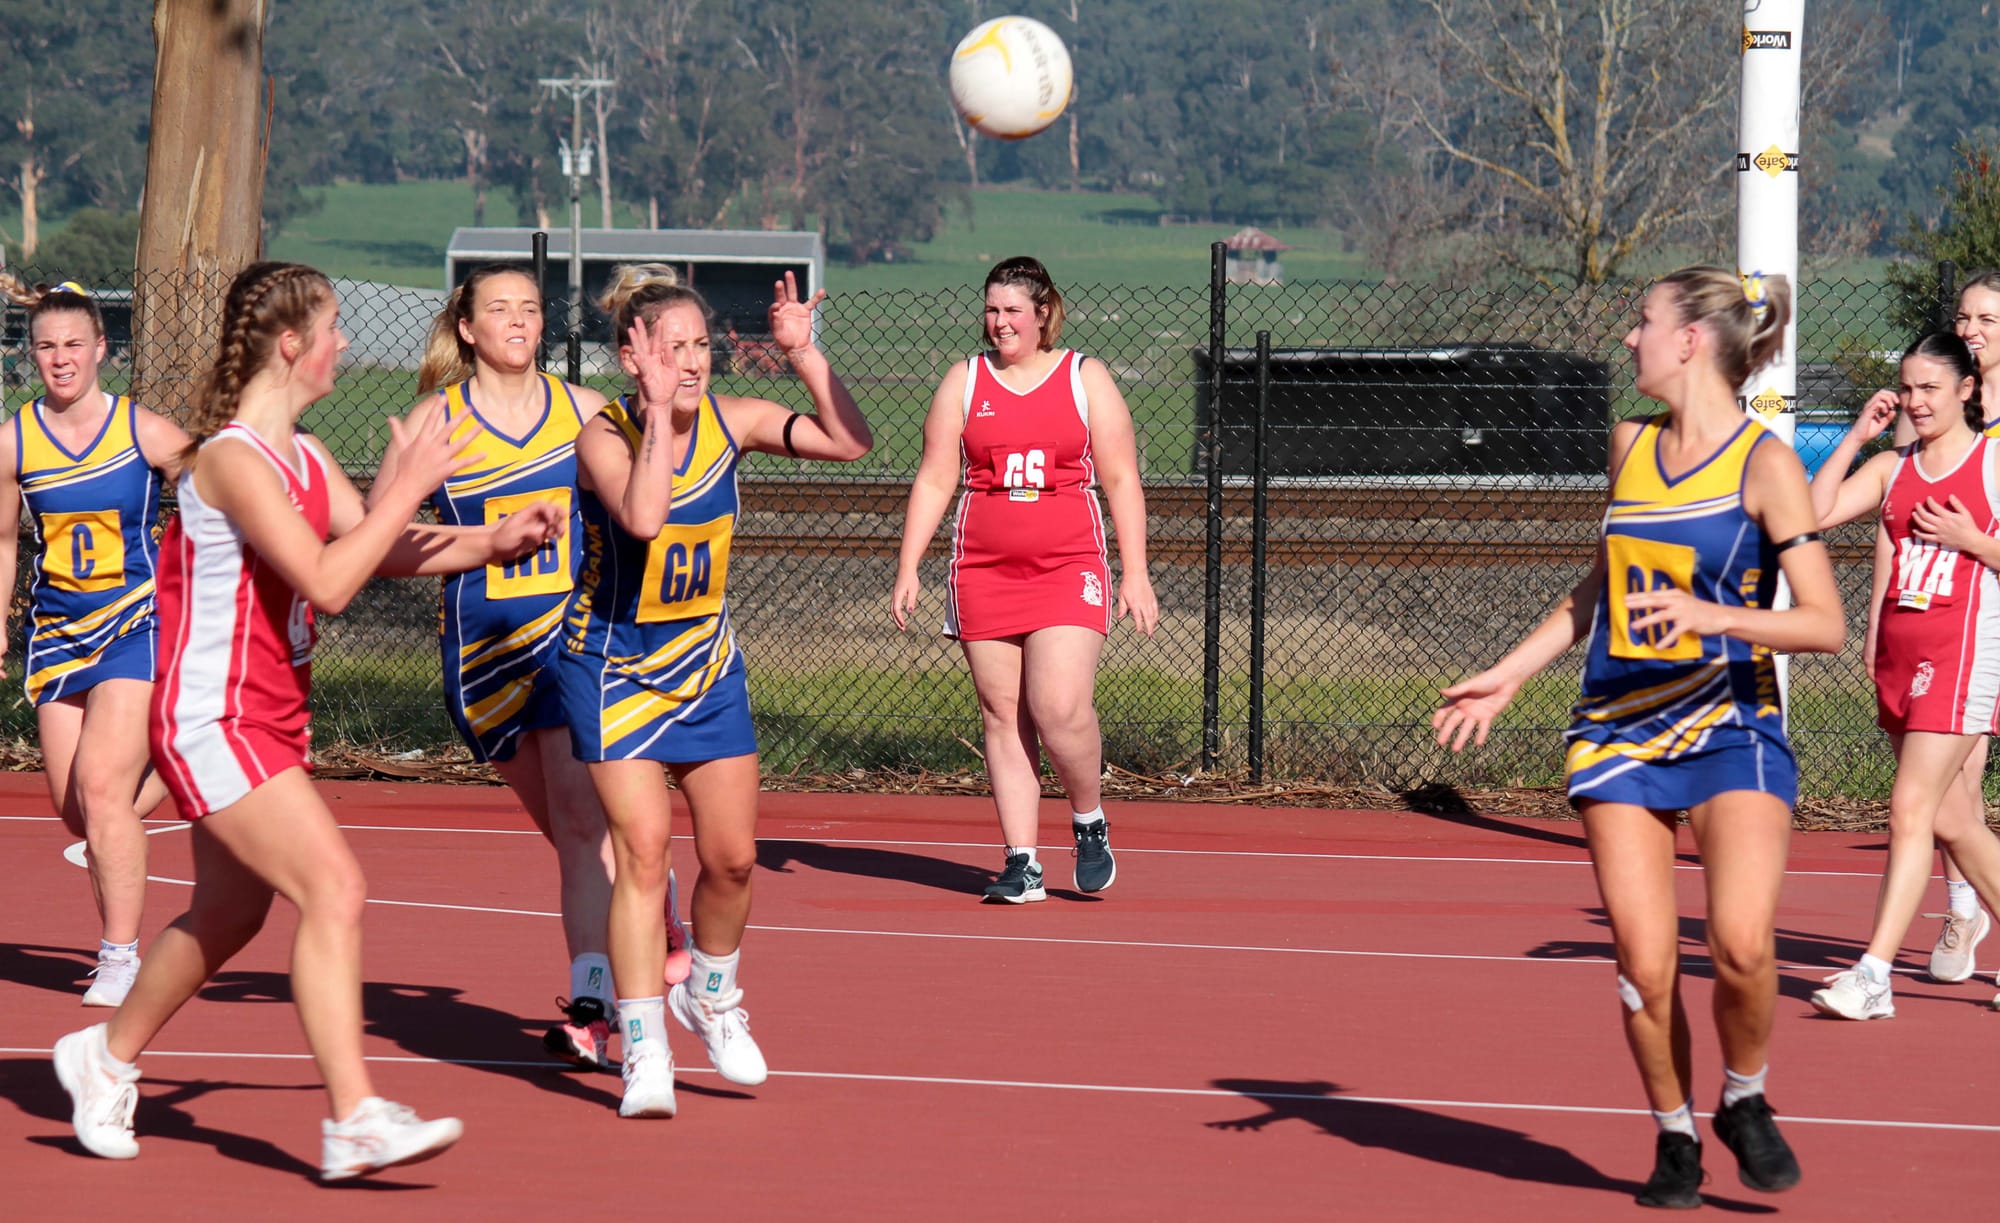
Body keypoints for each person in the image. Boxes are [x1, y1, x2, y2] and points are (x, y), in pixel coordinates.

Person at [51, 261, 564, 1179]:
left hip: (269, 716)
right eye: (332, 329)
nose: (345, 345)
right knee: (335, 888)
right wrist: (410, 481)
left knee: (228, 911)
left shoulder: (305, 456)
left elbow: (374, 539)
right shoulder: (231, 461)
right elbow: (330, 582)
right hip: (213, 717)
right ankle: (354, 1117)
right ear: (291, 344)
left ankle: (104, 1054)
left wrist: (489, 539)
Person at [1433, 267, 1843, 1207]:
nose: (1630, 338)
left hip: (1731, 723)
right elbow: (1598, 585)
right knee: (1646, 965)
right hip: (1616, 727)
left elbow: (1824, 623)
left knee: (1740, 946)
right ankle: (1674, 1133)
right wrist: (1510, 670)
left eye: (1644, 322)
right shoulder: (1630, 444)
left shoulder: (1764, 464)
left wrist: (1716, 615)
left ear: (1692, 339)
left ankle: (1744, 1098)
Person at [560, 266, 871, 1118]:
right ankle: (646, 1043)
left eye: (700, 345)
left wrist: (806, 356)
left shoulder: (735, 422)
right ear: (633, 356)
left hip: (705, 668)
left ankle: (711, 994)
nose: (692, 361)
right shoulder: (604, 435)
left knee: (733, 858)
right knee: (644, 852)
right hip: (615, 670)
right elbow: (648, 517)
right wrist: (657, 410)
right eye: (673, 348)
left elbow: (851, 442)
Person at [386, 263, 689, 1071]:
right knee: (572, 836)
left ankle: (594, 1004)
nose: (517, 321)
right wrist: (480, 542)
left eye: (529, 308)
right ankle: (657, 914)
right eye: (499, 309)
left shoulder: (585, 413)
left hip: (573, 644)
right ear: (467, 329)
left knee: (586, 823)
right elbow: (378, 545)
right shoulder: (432, 424)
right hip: (482, 658)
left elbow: (657, 490)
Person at [892, 256, 1158, 904]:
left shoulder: (1083, 377)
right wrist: (909, 564)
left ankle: (1088, 817)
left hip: (1069, 562)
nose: (999, 321)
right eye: (991, 309)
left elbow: (1122, 476)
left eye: (1012, 309)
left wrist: (1137, 571)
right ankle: (1021, 861)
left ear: (1043, 313)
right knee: (1002, 713)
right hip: (983, 568)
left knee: (1059, 705)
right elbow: (935, 475)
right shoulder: (964, 380)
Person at [1802, 330, 2000, 1020]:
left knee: (1910, 808)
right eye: (1907, 388)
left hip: (1963, 653)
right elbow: (1813, 513)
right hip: (1900, 659)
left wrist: (1975, 541)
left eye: (1931, 389)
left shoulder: (1993, 462)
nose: (1916, 402)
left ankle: (1874, 972)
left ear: (1967, 390)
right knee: (1951, 820)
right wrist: (1857, 434)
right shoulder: (1893, 467)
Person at [0, 282, 186, 1007]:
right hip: (56, 634)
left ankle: (120, 954)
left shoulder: (144, 430)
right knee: (76, 808)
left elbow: (220, 489)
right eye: (46, 345)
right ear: (31, 352)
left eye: (74, 343)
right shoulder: (15, 440)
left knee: (104, 788)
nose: (60, 358)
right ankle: (179, 758)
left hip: (136, 621)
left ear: (102, 348)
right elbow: (4, 539)